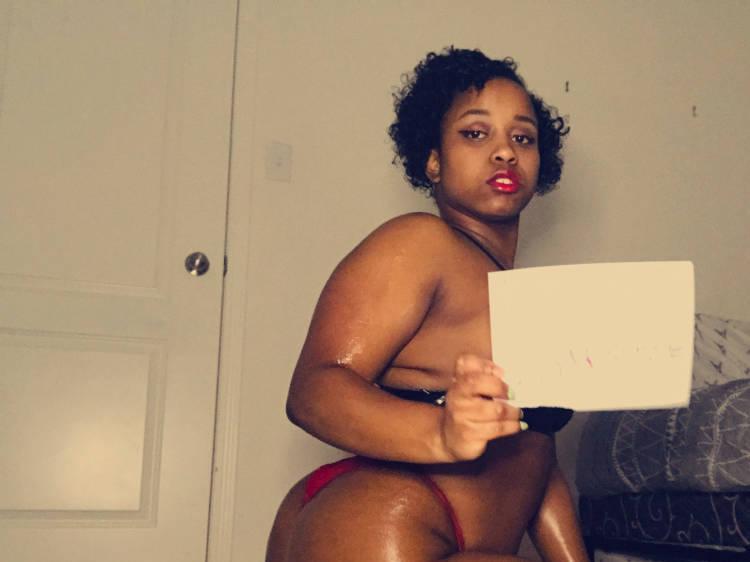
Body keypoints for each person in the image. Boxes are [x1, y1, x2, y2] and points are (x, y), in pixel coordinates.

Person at [266, 47, 589, 562]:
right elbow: (313, 390)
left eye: (522, 138)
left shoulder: (523, 296)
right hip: (393, 517)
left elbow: (535, 451)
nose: (505, 152)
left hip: (461, 534)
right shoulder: (422, 243)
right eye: (476, 133)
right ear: (433, 160)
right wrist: (441, 433)